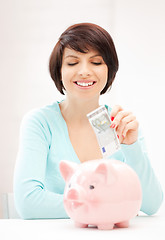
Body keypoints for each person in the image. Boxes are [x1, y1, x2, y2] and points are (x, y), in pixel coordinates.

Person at [14, 23, 163, 219]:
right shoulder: (40, 122)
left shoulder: (122, 124)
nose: (84, 71)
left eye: (96, 62)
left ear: (109, 69)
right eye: (73, 62)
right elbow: (28, 203)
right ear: (59, 70)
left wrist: (132, 146)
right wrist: (110, 205)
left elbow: (151, 204)